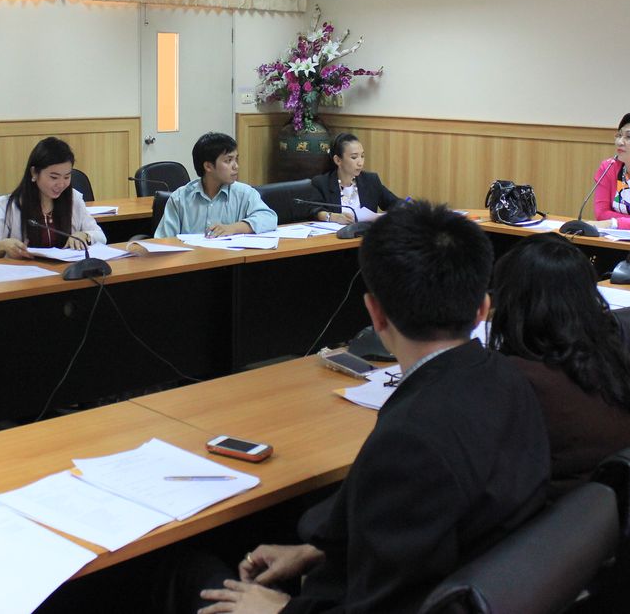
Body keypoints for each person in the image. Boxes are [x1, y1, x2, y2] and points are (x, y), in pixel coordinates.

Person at [195, 201, 549, 614]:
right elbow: (432, 531)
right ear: (483, 309)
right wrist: (318, 551)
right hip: (466, 585)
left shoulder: (411, 443)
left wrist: (278, 610)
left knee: (181, 571)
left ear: (375, 315)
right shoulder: (511, 381)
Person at [488, 233, 630, 499]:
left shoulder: (516, 381)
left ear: (512, 303)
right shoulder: (608, 357)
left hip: (553, 516)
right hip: (605, 512)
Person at [0, 136, 106, 260]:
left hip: (66, 271)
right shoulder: (8, 205)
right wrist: (2, 245)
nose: (61, 184)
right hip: (26, 272)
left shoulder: (74, 199)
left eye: (67, 177)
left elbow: (101, 236)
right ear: (34, 172)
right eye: (54, 177)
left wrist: (85, 235)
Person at [154, 133, 277, 239]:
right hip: (191, 258)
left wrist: (234, 228)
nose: (236, 166)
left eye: (236, 159)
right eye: (228, 160)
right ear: (208, 166)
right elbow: (163, 240)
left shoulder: (245, 193)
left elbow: (269, 219)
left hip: (231, 258)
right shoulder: (179, 198)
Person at [308, 133, 400, 224]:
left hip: (365, 232)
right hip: (335, 233)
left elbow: (395, 204)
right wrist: (334, 217)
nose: (360, 163)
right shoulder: (321, 183)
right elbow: (313, 211)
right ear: (338, 160)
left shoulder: (370, 180)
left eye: (362, 156)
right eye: (354, 157)